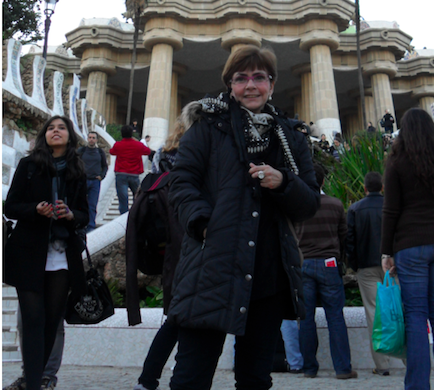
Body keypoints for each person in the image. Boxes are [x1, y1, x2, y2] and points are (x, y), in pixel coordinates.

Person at [167, 45, 320, 390]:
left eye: (258, 77)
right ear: (229, 85)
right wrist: (203, 223)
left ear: (272, 83)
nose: (250, 86)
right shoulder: (207, 128)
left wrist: (284, 182)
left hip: (266, 275)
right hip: (212, 268)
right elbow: (181, 182)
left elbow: (309, 202)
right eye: (241, 78)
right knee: (190, 378)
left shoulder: (290, 137)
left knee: (255, 379)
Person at [381, 108, 434, 390]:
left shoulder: (396, 162)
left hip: (411, 245)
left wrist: (386, 252)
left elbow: (390, 210)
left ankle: (417, 386)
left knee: (415, 315)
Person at [4, 115, 89, 390]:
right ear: (45, 135)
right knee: (32, 322)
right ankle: (32, 384)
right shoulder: (29, 165)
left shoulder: (77, 169)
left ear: (69, 135)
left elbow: (85, 215)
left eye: (61, 127)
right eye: (51, 128)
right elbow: (11, 206)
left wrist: (69, 214)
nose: (55, 131)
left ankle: (36, 379)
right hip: (29, 253)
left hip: (62, 256)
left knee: (51, 323)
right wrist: (35, 209)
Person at [129, 118, 187, 390]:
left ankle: (149, 378)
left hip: (169, 253)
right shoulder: (197, 161)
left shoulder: (161, 160)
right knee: (181, 319)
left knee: (175, 318)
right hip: (191, 248)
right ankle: (170, 377)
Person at [295, 163, 357, 380]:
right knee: (335, 317)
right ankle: (342, 368)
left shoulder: (297, 206)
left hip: (304, 264)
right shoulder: (335, 204)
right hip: (329, 263)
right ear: (323, 181)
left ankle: (309, 368)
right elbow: (344, 235)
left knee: (306, 319)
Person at [346, 172, 391, 376]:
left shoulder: (355, 209)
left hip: (366, 266)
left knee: (373, 313)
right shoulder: (390, 207)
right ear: (382, 187)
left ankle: (382, 365)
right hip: (391, 264)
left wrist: (355, 265)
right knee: (398, 308)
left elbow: (350, 241)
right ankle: (410, 359)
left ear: (365, 188)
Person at [109, 125, 151, 214]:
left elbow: (111, 152)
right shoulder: (138, 145)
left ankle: (123, 218)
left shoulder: (118, 145)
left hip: (121, 174)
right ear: (132, 134)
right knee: (137, 197)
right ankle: (135, 214)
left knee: (123, 199)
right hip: (134, 174)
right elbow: (148, 151)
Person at [77, 131, 108, 232]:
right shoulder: (81, 151)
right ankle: (80, 224)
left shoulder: (100, 152)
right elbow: (74, 163)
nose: (91, 139)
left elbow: (105, 166)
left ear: (96, 140)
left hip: (95, 182)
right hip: (83, 181)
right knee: (80, 203)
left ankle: (90, 227)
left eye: (93, 138)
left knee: (92, 205)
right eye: (89, 137)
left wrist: (102, 176)